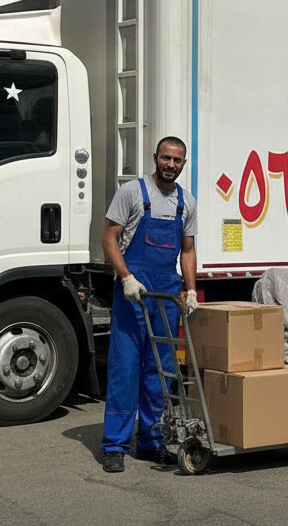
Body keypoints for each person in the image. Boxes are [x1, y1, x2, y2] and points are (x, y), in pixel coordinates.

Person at [99, 137, 199, 473]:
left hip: (166, 294)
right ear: (155, 157)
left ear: (184, 163)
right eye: (166, 158)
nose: (171, 165)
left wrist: (191, 290)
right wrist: (126, 277)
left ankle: (151, 441)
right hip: (134, 291)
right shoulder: (132, 192)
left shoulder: (186, 201)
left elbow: (187, 250)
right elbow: (109, 239)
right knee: (126, 369)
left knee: (160, 371)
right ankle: (115, 445)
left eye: (177, 160)